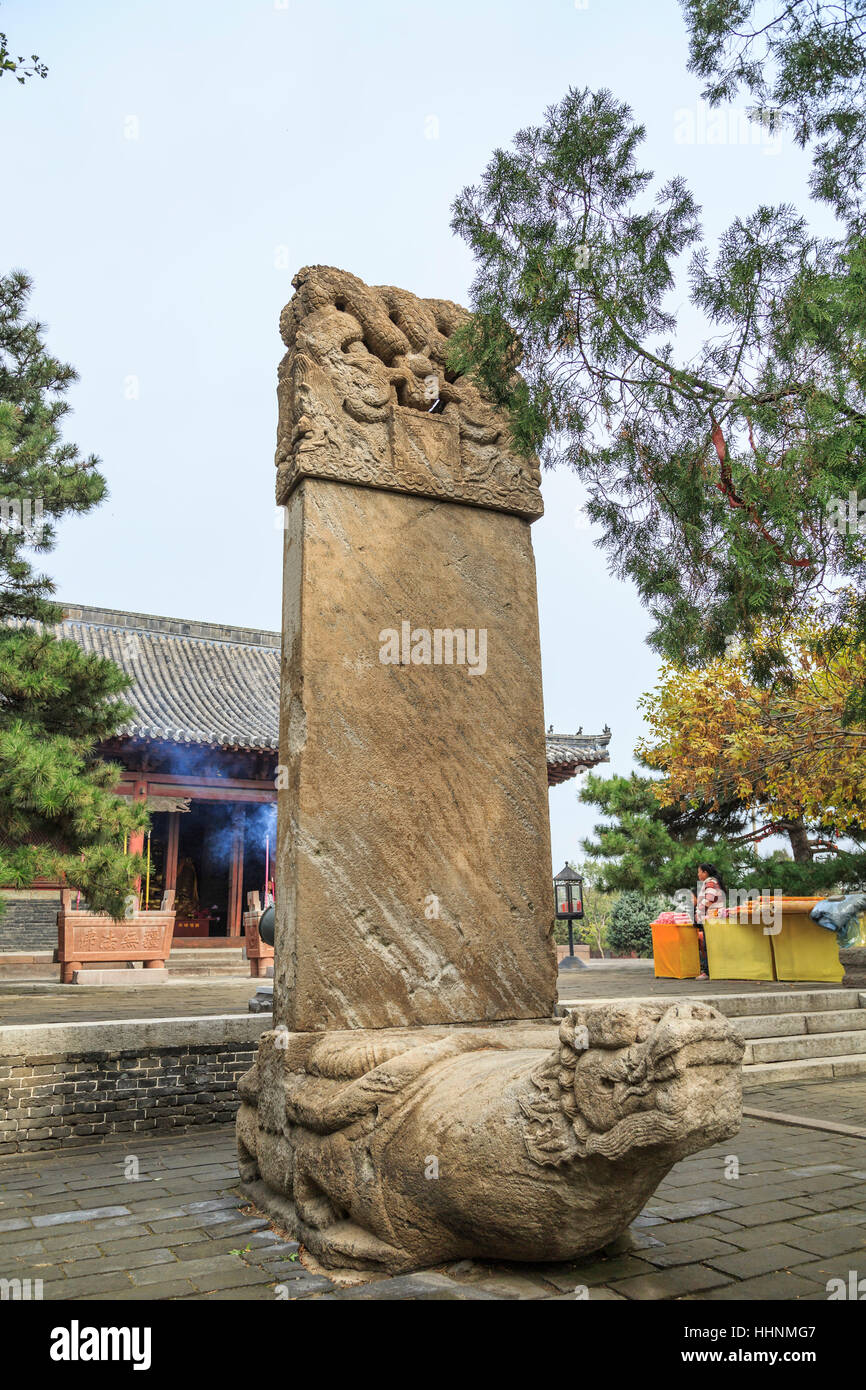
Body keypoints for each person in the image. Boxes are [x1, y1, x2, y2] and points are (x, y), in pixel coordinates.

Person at [693, 863, 727, 978]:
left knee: (708, 945)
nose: (698, 874)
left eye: (699, 872)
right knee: (714, 944)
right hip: (715, 917)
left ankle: (707, 972)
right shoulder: (712, 881)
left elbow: (710, 899)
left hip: (711, 919)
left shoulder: (710, 882)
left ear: (705, 873)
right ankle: (717, 970)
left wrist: (699, 910)